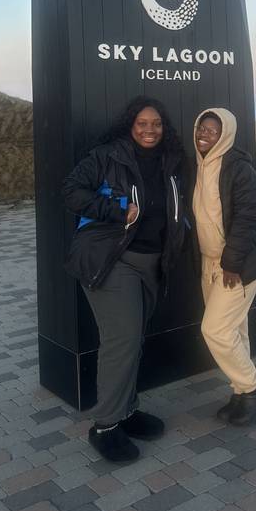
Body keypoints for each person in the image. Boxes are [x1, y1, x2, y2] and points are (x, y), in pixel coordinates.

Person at [63, 97, 184, 462]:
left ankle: (126, 411)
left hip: (152, 263)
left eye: (157, 124)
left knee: (132, 341)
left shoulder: (171, 161)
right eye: (142, 123)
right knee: (122, 340)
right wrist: (115, 210)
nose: (150, 130)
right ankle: (105, 426)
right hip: (114, 260)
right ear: (130, 125)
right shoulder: (108, 156)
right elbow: (71, 191)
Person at [191, 107, 256, 426]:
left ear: (225, 134)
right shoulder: (200, 163)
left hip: (237, 264)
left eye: (212, 130)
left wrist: (232, 262)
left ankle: (255, 386)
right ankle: (240, 390)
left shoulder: (237, 166)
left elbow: (247, 217)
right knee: (235, 329)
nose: (204, 135)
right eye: (201, 128)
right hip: (210, 262)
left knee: (215, 330)